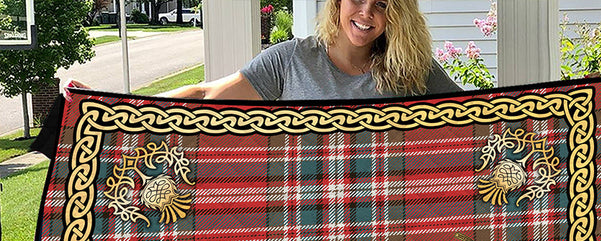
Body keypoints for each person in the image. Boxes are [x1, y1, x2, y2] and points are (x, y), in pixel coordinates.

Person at [65, 0, 460, 102]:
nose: (366, 12)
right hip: (301, 216)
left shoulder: (412, 68)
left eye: (382, 4)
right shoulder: (290, 60)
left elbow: (475, 118)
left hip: (386, 219)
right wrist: (112, 103)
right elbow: (206, 94)